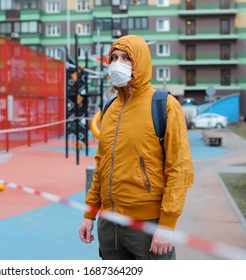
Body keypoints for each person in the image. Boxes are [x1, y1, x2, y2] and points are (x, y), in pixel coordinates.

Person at [78, 35, 194, 260]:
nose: (116, 64)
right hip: (109, 224)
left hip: (147, 226)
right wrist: (89, 214)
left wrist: (167, 225)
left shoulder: (165, 105)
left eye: (125, 58)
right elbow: (102, 165)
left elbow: (179, 169)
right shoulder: (110, 108)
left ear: (139, 62)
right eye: (113, 58)